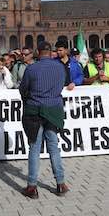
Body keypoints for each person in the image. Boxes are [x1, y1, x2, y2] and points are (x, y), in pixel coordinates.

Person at [19, 42, 70, 199]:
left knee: (34, 148)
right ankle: (60, 183)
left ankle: (32, 186)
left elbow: (23, 89)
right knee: (53, 147)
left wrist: (29, 98)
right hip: (53, 110)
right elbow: (62, 85)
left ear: (38, 52)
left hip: (35, 110)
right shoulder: (60, 67)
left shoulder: (31, 68)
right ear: (50, 51)